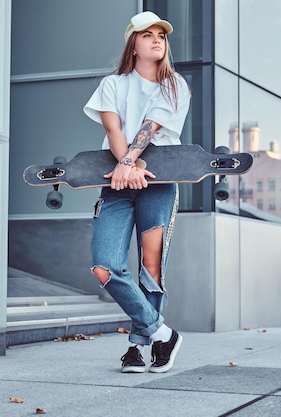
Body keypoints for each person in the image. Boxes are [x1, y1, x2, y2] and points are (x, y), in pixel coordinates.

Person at [83, 11, 191, 373]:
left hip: (158, 183)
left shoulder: (175, 85)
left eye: (162, 35)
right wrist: (125, 166)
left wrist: (129, 162)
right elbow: (114, 130)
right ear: (134, 44)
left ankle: (137, 347)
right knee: (104, 266)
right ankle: (161, 333)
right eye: (148, 35)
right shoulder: (112, 85)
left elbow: (150, 127)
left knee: (151, 268)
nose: (157, 40)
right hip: (117, 183)